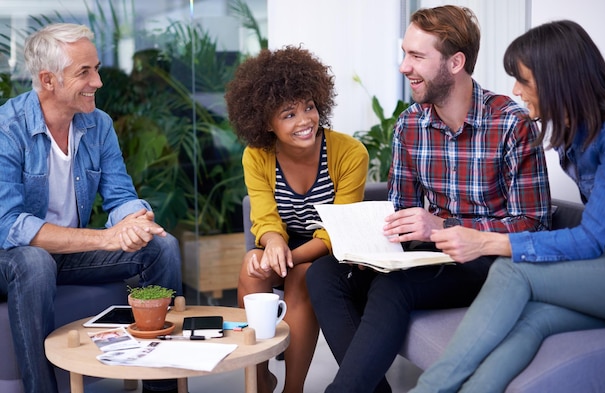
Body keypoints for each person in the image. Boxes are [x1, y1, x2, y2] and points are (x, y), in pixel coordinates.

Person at [305, 5, 552, 393]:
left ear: (456, 62)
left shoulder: (510, 123)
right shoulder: (409, 125)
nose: (404, 66)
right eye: (405, 53)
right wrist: (371, 244)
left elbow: (535, 226)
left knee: (395, 287)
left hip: (486, 263)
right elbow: (402, 210)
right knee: (322, 274)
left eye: (417, 56)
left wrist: (445, 226)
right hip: (428, 257)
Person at [410, 19, 605, 393]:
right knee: (532, 321)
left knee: (512, 273)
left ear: (558, 79)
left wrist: (486, 242)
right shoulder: (574, 135)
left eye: (523, 80)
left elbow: (592, 239)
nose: (515, 90)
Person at [0, 23, 183, 393]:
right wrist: (106, 238)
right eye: (84, 72)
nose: (97, 81)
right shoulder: (8, 127)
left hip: (69, 255)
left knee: (161, 246)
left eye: (96, 68)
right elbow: (10, 226)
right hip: (11, 259)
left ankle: (162, 385)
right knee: (35, 261)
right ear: (48, 80)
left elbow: (120, 195)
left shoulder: (98, 125)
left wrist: (137, 220)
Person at [224, 46, 369, 393]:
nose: (305, 120)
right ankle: (259, 378)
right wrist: (273, 243)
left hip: (333, 252)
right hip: (285, 245)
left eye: (309, 107)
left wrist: (289, 257)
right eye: (288, 114)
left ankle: (293, 388)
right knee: (250, 265)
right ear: (265, 123)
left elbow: (339, 231)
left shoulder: (350, 153)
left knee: (303, 276)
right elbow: (263, 217)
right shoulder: (257, 155)